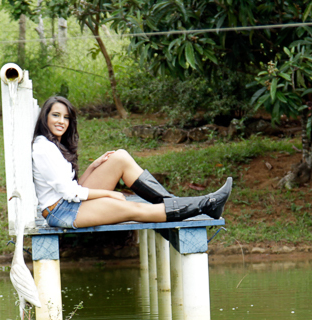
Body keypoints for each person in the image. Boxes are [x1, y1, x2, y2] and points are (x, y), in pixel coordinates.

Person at [31, 95, 233, 229]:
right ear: (45, 117)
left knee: (119, 157)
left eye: (66, 117)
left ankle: (175, 203)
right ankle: (207, 204)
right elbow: (70, 192)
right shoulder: (43, 148)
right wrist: (110, 194)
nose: (61, 121)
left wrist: (93, 167)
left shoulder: (52, 145)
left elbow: (72, 188)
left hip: (68, 204)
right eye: (56, 115)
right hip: (62, 212)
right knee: (135, 210)